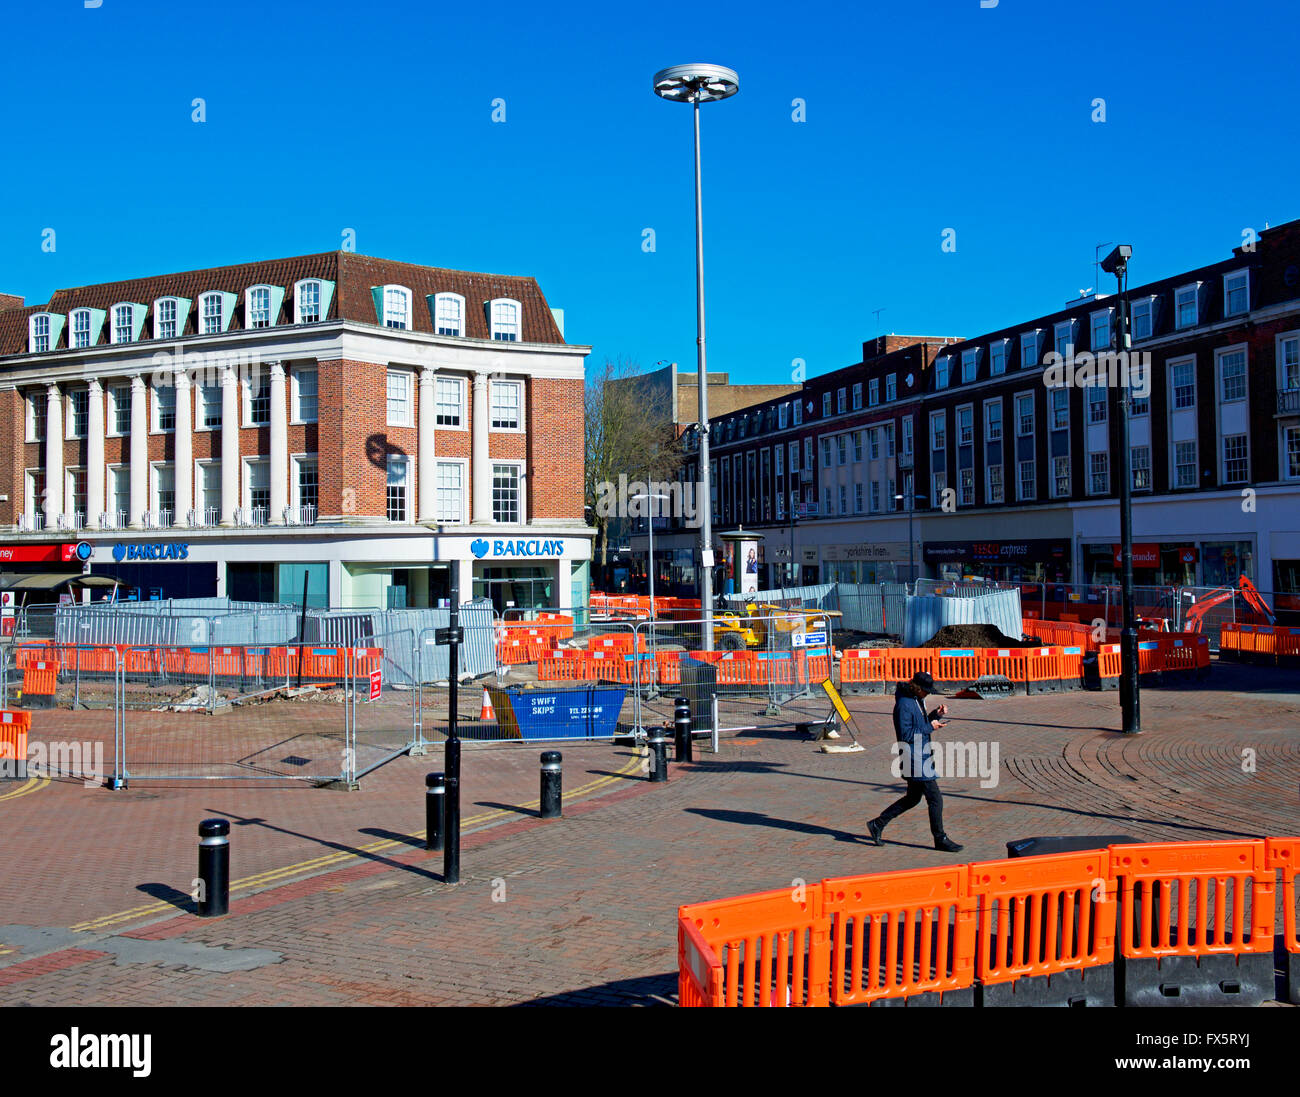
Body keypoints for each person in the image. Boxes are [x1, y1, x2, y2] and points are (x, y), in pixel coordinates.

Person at [865, 671, 963, 852]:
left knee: (913, 798)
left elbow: (919, 724)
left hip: (921, 755)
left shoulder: (916, 700)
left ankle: (877, 824)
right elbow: (906, 735)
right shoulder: (904, 704)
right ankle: (940, 838)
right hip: (914, 758)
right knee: (935, 799)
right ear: (917, 688)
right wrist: (930, 727)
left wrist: (935, 716)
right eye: (926, 691)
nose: (928, 694)